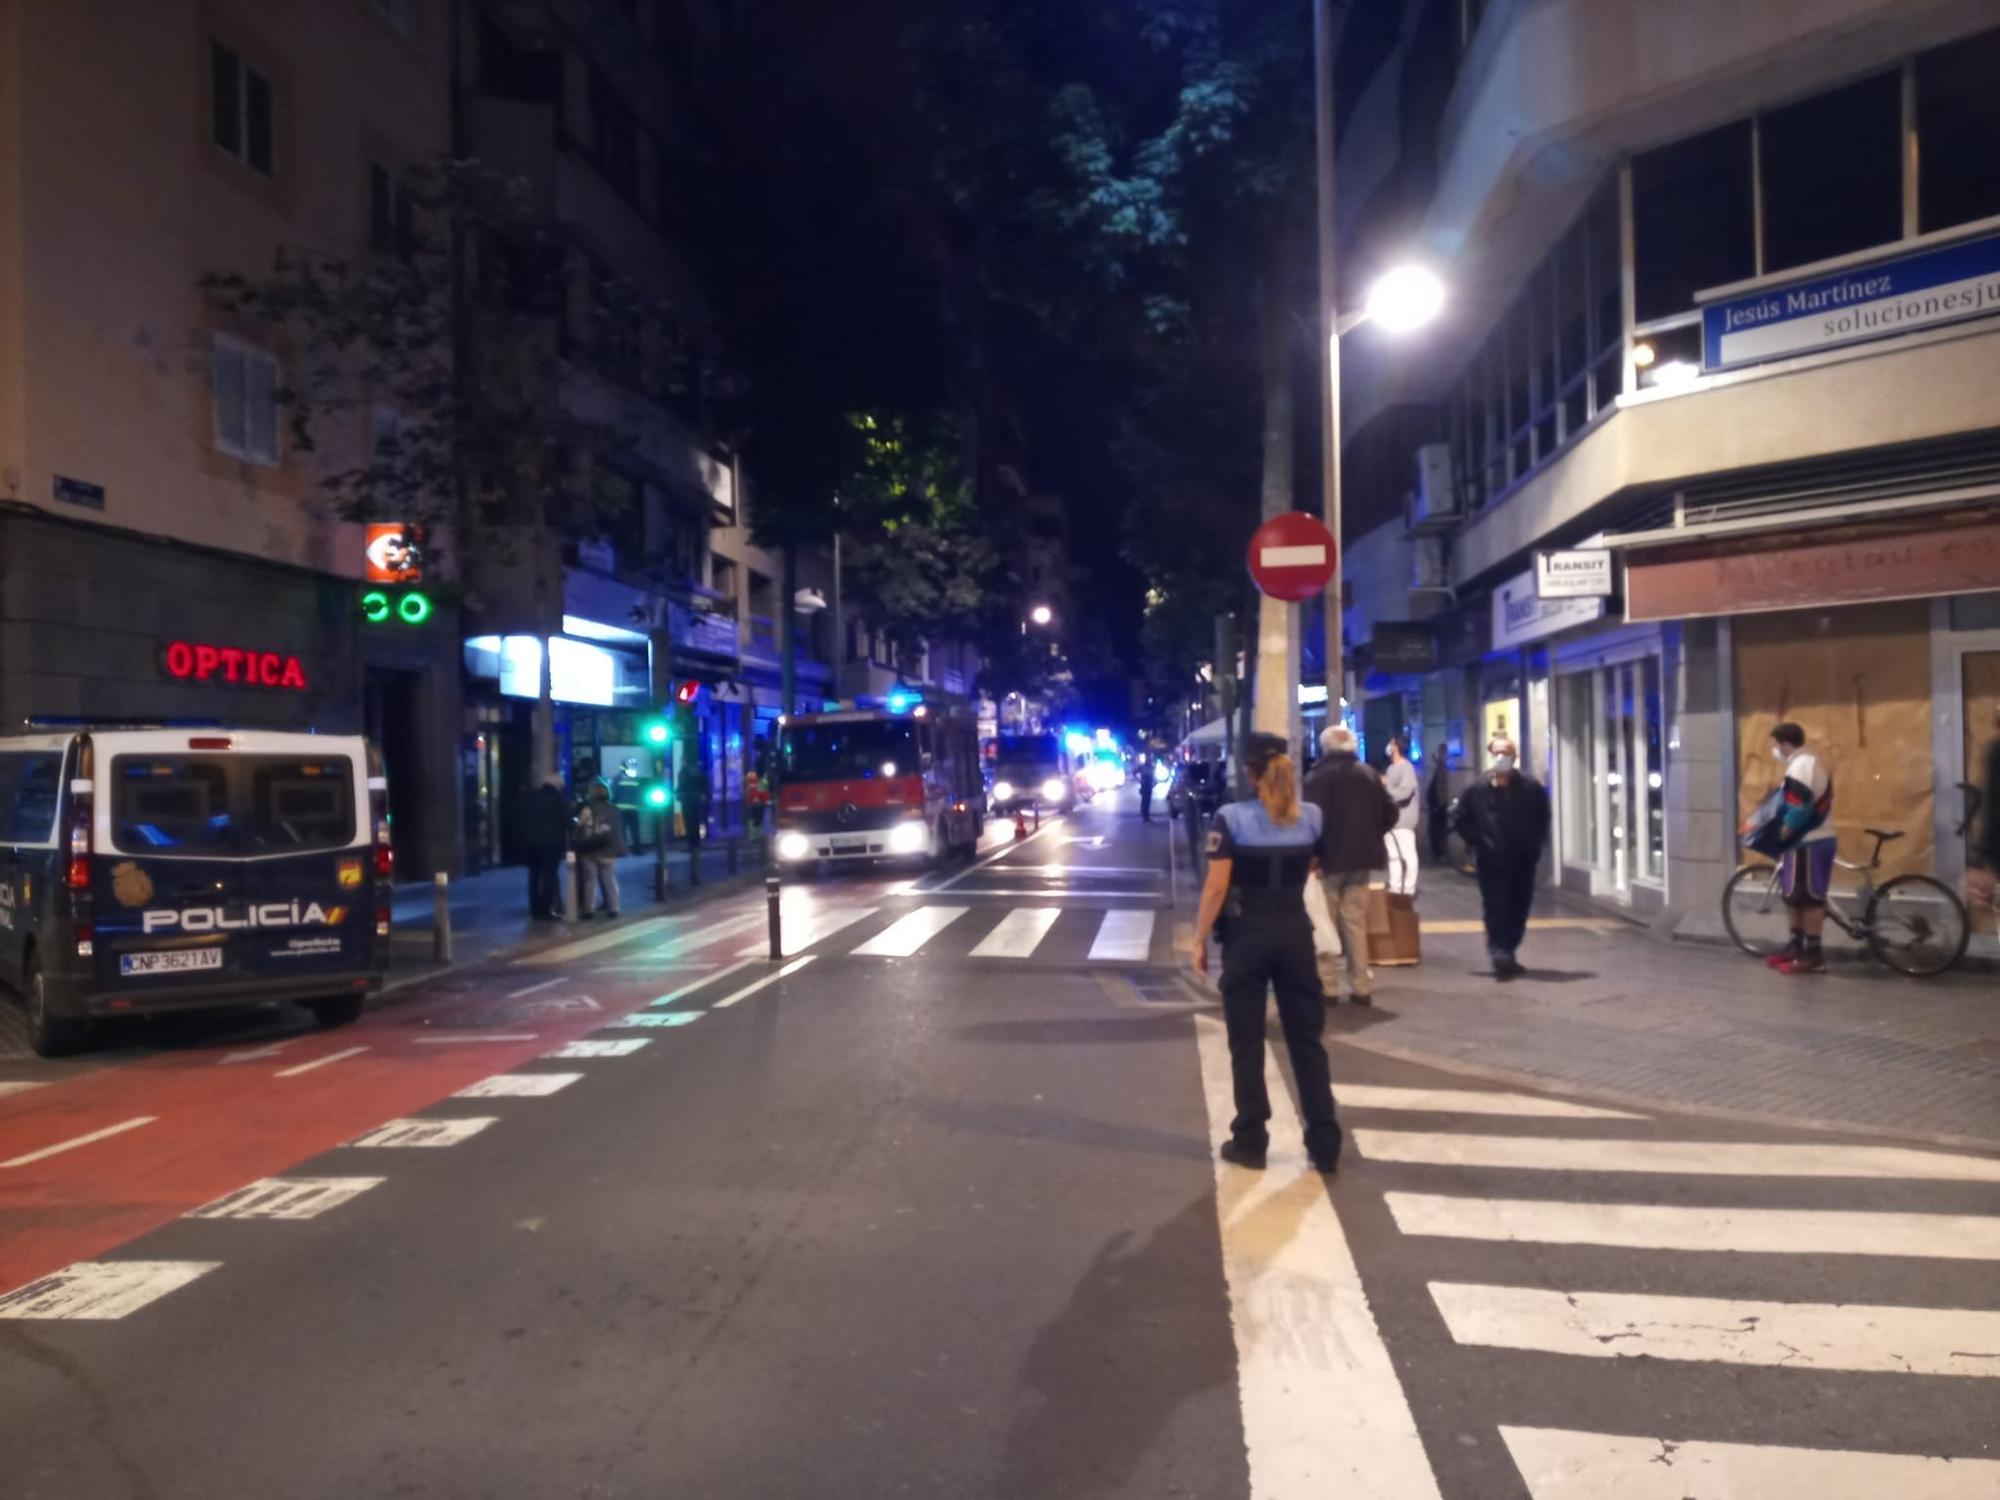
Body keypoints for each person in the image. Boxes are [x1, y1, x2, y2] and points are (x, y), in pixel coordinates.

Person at [1191, 732, 1342, 1173]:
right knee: (1306, 1040)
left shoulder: (1230, 817)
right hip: (1295, 931)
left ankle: (1251, 1139)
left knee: (1247, 1039)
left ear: (1250, 773)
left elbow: (1217, 886)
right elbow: (1319, 864)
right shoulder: (1311, 816)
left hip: (1247, 933)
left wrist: (1200, 938)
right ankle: (1325, 1140)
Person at [1303, 724, 1397, 1005]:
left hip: (1328, 862)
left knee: (1324, 924)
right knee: (1355, 923)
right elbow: (1390, 812)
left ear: (1325, 747)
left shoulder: (1316, 777)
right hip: (1362, 859)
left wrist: (1314, 856)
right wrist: (1371, 834)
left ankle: (1328, 987)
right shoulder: (1369, 774)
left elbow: (1312, 822)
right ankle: (1361, 987)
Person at [1451, 738, 1550, 979]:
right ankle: (1499, 951)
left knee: (1519, 907)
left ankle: (1509, 950)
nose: (1501, 756)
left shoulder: (1530, 787)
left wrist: (1534, 846)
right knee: (1496, 906)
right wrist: (1479, 840)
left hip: (1522, 860)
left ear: (1514, 757)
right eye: (1497, 752)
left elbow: (1542, 818)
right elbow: (1460, 818)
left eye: (1506, 752)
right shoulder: (1477, 789)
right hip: (1491, 861)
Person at [1765, 721, 1836, 975]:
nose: (1775, 750)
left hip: (1810, 840)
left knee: (1809, 899)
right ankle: (1797, 946)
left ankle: (1814, 956)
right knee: (1794, 896)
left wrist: (1783, 833)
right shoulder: (1803, 762)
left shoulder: (1803, 765)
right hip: (1803, 842)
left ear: (1785, 744)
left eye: (1776, 745)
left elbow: (1800, 806)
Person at [573, 777, 627, 919]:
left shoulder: (588, 808)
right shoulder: (613, 808)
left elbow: (580, 825)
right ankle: (614, 908)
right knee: (609, 879)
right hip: (609, 850)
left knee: (590, 880)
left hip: (591, 848)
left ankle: (589, 909)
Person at [524, 773, 569, 922]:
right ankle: (546, 909)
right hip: (552, 843)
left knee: (534, 876)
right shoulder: (557, 798)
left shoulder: (531, 797)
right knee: (549, 876)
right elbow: (566, 820)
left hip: (532, 844)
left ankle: (535, 910)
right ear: (557, 785)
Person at [1382, 737, 1421, 897]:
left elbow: (1404, 793)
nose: (1389, 747)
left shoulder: (1406, 768)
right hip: (1391, 821)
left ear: (1396, 747)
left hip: (1403, 819)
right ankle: (1395, 887)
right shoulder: (1392, 768)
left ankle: (1409, 889)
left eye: (1391, 743)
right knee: (1393, 856)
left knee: (1408, 855)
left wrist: (1387, 785)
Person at [611, 757, 645, 850]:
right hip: (633, 809)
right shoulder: (636, 778)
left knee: (622, 830)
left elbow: (613, 793)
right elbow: (640, 793)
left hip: (620, 809)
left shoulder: (617, 777)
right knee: (635, 830)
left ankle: (624, 849)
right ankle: (637, 849)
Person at [1425, 750, 1453, 861]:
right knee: (1436, 830)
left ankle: (1439, 853)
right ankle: (1438, 853)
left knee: (1437, 830)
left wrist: (1439, 804)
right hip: (1437, 804)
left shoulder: (1442, 770)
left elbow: (1441, 789)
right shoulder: (1440, 769)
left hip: (1439, 805)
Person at [1136, 747, 1156, 821]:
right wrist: (1140, 780)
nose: (1149, 760)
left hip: (1149, 785)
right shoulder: (1142, 766)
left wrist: (1154, 783)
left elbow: (1154, 776)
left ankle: (1145, 814)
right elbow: (1134, 773)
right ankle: (1145, 815)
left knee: (1147, 800)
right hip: (1145, 785)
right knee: (1145, 800)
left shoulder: (1152, 766)